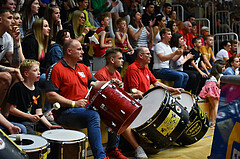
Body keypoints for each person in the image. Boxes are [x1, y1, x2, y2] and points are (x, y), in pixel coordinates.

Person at [45, 39, 107, 159]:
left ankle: (114, 148)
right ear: (69, 51)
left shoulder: (83, 67)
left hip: (84, 110)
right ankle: (100, 157)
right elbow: (50, 95)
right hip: (65, 112)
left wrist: (110, 83)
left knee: (110, 112)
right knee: (93, 115)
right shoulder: (56, 68)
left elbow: (96, 83)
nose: (83, 52)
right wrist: (73, 103)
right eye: (79, 49)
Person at [94, 47, 148, 159]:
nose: (123, 60)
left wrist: (133, 96)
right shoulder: (100, 75)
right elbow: (100, 99)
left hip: (113, 106)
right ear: (112, 60)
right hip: (102, 108)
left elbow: (121, 95)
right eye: (120, 58)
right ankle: (131, 148)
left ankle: (142, 144)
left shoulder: (118, 75)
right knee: (121, 116)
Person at [7, 59, 61, 134]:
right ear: (26, 74)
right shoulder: (18, 87)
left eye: (38, 70)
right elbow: (11, 109)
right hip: (21, 121)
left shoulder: (38, 90)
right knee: (35, 138)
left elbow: (38, 113)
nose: (39, 73)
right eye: (35, 70)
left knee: (59, 129)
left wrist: (49, 126)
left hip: (33, 121)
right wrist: (29, 117)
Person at [0, 8, 24, 117]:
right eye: (9, 18)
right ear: (0, 19)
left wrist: (16, 42)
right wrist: (14, 69)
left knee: (17, 76)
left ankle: (5, 114)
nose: (13, 21)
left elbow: (15, 64)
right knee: (6, 77)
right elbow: (14, 68)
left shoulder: (7, 37)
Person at [199, 60, 226, 127]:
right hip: (213, 89)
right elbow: (218, 84)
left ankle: (212, 122)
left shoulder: (211, 75)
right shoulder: (220, 75)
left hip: (208, 89)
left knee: (212, 107)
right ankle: (216, 122)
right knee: (216, 106)